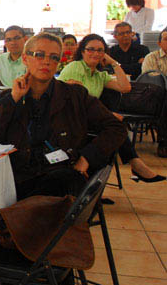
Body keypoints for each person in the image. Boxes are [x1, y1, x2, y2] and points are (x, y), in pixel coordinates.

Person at [0, 32, 127, 285]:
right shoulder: (12, 95)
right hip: (20, 181)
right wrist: (14, 99)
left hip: (60, 177)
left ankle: (28, 275)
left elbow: (116, 127)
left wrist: (88, 157)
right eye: (39, 55)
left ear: (60, 62)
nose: (46, 62)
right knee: (56, 214)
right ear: (27, 58)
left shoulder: (73, 96)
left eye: (53, 57)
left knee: (61, 194)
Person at [59, 34, 164, 182]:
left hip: (88, 119)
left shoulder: (99, 75)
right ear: (82, 51)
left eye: (100, 50)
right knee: (116, 126)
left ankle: (91, 175)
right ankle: (133, 163)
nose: (96, 53)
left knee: (115, 128)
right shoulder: (76, 67)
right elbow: (76, 102)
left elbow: (125, 87)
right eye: (91, 49)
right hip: (70, 118)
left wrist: (114, 63)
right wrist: (107, 114)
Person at [141, 28, 167, 158]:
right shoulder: (152, 57)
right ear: (159, 43)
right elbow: (151, 81)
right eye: (166, 39)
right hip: (153, 96)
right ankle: (163, 141)